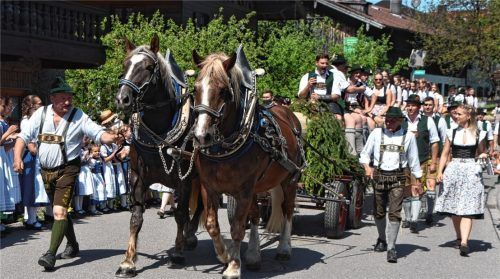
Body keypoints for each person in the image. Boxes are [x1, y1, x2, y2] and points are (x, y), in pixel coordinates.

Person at [12, 76, 116, 270]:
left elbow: (96, 132)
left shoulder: (78, 116)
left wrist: (110, 137)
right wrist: (17, 158)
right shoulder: (40, 115)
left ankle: (50, 255)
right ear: (52, 98)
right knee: (60, 210)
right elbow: (23, 137)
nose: (67, 102)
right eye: (63, 98)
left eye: (70, 98)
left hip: (68, 169)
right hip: (45, 171)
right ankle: (73, 245)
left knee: (58, 211)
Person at [360, 107, 422, 263]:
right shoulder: (376, 133)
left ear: (400, 120)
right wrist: (368, 168)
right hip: (379, 176)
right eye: (387, 119)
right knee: (379, 212)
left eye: (393, 120)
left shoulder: (408, 136)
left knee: (394, 212)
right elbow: (364, 154)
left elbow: (414, 161)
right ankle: (382, 238)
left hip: (398, 177)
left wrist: (418, 181)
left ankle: (392, 247)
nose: (389, 122)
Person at [435, 104, 487, 256]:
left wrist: (483, 155)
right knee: (455, 207)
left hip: (471, 170)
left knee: (468, 207)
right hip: (454, 169)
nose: (455, 116)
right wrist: (440, 171)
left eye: (459, 114)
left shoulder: (479, 133)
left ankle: (464, 241)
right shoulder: (451, 131)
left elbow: (482, 152)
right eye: (455, 114)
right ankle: (459, 236)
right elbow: (444, 153)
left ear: (468, 116)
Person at [401, 95, 439, 232]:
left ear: (418, 107)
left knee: (417, 189)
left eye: (413, 105)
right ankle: (406, 217)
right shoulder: (402, 121)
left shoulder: (428, 121)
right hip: (404, 161)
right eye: (408, 105)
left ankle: (414, 220)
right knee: (405, 190)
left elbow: (435, 142)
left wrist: (434, 161)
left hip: (421, 160)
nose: (410, 108)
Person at [19, 95, 47, 230]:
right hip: (30, 157)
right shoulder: (26, 122)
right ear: (31, 106)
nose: (42, 107)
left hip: (35, 157)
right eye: (39, 104)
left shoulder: (35, 121)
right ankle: (30, 219)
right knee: (31, 188)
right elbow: (31, 146)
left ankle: (32, 217)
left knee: (36, 187)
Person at [421, 96, 447, 225]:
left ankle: (429, 213)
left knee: (431, 185)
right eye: (425, 104)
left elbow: (443, 140)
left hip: (434, 157)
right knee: (419, 185)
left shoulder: (439, 120)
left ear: (433, 106)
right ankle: (420, 208)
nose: (427, 107)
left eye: (430, 105)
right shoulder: (419, 119)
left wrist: (442, 158)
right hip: (420, 157)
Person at [0, 97, 21, 234]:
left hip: (3, 156)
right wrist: (9, 133)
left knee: (4, 187)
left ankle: (1, 221)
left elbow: (5, 146)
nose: (8, 109)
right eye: (4, 106)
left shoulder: (4, 122)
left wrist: (16, 140)